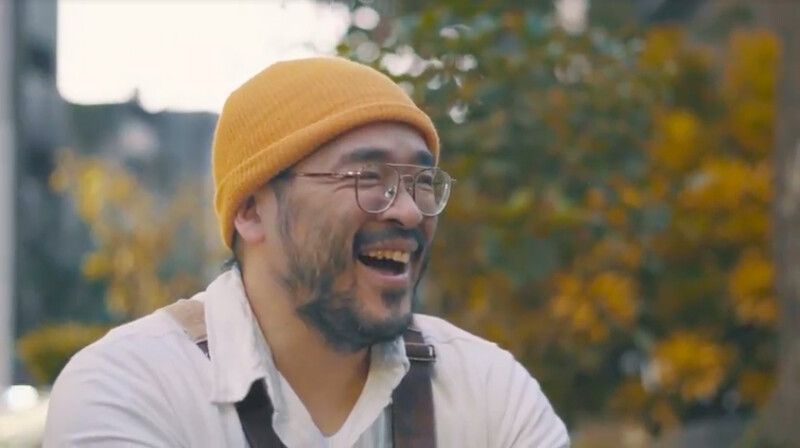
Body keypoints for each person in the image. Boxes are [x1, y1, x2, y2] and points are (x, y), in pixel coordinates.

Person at [43, 57, 570, 447]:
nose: (410, 212)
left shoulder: (488, 389)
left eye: (421, 181)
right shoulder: (131, 390)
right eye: (368, 176)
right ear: (251, 210)